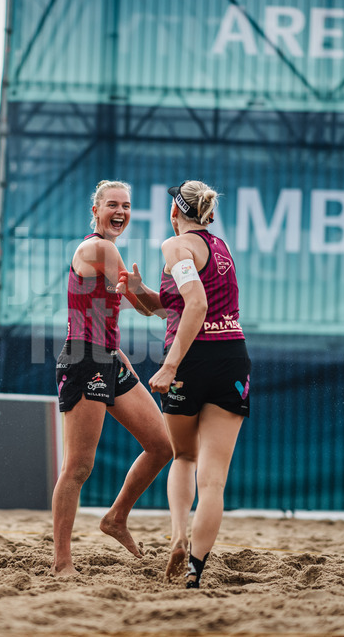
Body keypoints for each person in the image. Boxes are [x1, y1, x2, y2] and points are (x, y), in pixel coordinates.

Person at [51, 179, 173, 577]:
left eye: (127, 205)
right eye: (112, 205)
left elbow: (143, 307)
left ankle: (116, 518)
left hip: (108, 357)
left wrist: (178, 302)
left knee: (162, 445)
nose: (121, 211)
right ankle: (62, 563)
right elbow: (145, 305)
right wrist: (185, 300)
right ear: (96, 211)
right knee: (78, 468)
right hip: (84, 359)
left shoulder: (112, 250)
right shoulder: (98, 247)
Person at [146, 180, 251, 589]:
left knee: (183, 456)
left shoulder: (175, 246)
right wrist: (139, 292)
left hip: (192, 359)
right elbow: (175, 305)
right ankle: (195, 569)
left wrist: (170, 366)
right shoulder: (221, 248)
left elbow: (196, 304)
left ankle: (176, 535)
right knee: (214, 481)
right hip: (232, 356)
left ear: (175, 214)